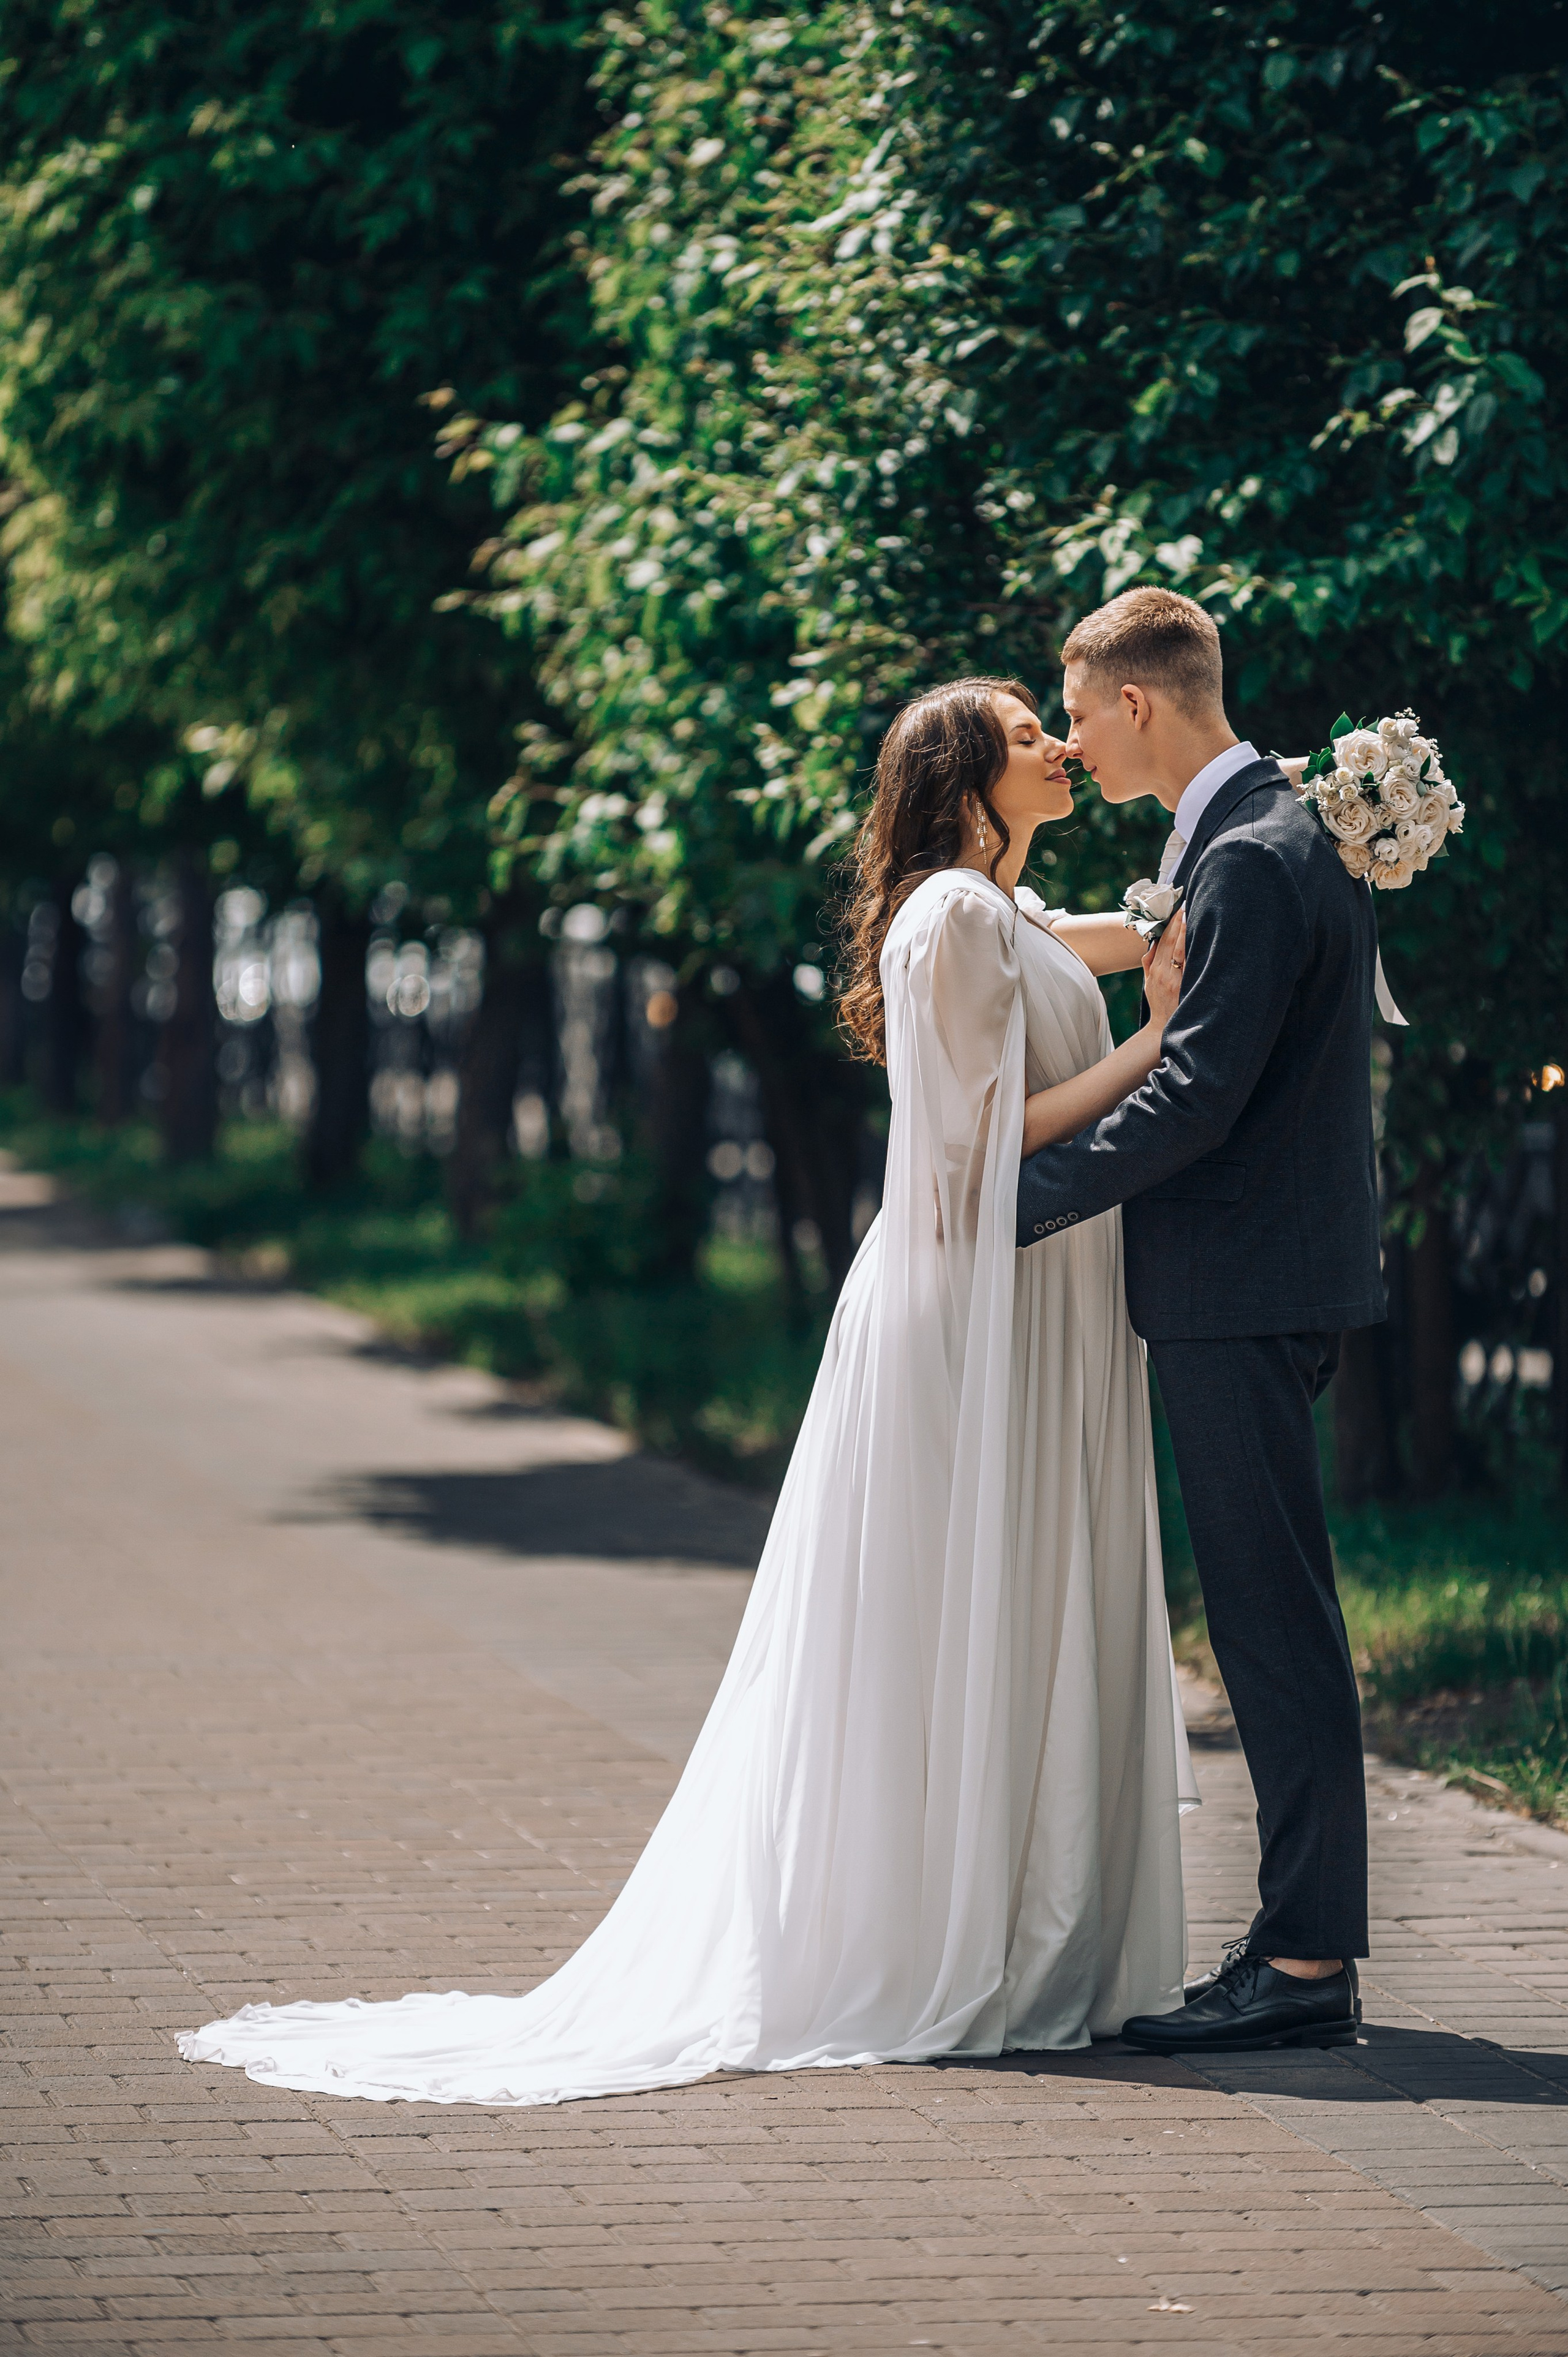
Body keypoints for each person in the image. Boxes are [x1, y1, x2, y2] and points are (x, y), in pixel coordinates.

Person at [178, 675, 1197, 2106]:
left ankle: (1022, 1916)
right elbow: (979, 1143)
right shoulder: (953, 918)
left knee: (1007, 1588)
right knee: (962, 1595)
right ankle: (951, 1930)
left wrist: (1266, 856)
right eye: (1028, 735)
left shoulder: (1000, 911)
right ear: (964, 773)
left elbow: (1108, 935)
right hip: (974, 1307)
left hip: (1026, 1295)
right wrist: (1158, 1047)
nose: (1061, 747)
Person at [1016, 587, 1383, 2056]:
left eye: (1077, 713)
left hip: (1243, 1285)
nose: (1071, 742)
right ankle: (1302, 1945)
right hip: (1264, 1275)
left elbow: (1195, 1097)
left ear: (1138, 702)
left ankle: (1300, 1962)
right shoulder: (1270, 833)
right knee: (1271, 1610)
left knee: (1269, 1620)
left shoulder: (1248, 855)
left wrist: (1013, 1199)